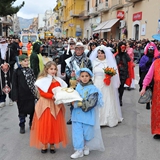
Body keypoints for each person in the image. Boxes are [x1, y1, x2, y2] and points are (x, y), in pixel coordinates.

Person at [30, 61, 68, 153]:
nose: (53, 71)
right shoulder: (41, 80)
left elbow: (62, 89)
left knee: (54, 124)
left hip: (56, 104)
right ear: (47, 69)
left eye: (55, 69)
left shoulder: (58, 80)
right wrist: (52, 96)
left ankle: (52, 144)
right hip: (45, 104)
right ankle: (44, 144)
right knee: (45, 124)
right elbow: (42, 93)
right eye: (51, 69)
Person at [70, 68, 105, 159]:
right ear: (79, 77)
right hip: (77, 115)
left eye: (86, 76)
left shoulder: (93, 89)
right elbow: (72, 97)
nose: (84, 78)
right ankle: (79, 150)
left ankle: (85, 145)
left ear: (90, 77)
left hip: (87, 115)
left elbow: (91, 103)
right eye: (82, 76)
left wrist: (77, 103)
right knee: (77, 132)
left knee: (87, 133)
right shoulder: (77, 86)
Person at [91, 45, 123, 127]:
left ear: (105, 54)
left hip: (106, 84)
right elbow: (91, 73)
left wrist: (109, 76)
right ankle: (97, 119)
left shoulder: (108, 62)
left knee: (106, 99)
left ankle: (107, 119)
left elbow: (114, 72)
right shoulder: (94, 62)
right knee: (97, 100)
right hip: (96, 83)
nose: (100, 55)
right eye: (98, 53)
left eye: (101, 53)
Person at [65, 42, 92, 125]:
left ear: (83, 50)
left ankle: (83, 116)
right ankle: (73, 117)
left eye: (80, 49)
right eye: (77, 49)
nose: (78, 50)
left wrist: (85, 78)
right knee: (73, 100)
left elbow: (91, 72)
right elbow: (67, 70)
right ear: (75, 49)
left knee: (83, 100)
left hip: (84, 83)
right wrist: (70, 74)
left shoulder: (87, 60)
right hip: (74, 83)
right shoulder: (70, 60)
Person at [11, 54, 37, 134]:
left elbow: (34, 81)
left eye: (27, 61)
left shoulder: (30, 70)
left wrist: (36, 92)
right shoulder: (17, 72)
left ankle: (31, 123)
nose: (27, 62)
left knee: (32, 110)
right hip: (21, 96)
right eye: (25, 61)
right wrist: (15, 96)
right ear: (20, 62)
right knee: (22, 112)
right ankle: (22, 125)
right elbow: (14, 84)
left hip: (30, 94)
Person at [140, 57, 160, 139]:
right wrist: (144, 87)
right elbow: (149, 76)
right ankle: (158, 131)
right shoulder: (156, 63)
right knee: (158, 112)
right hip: (158, 95)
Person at [139, 42, 159, 109]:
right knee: (146, 87)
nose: (151, 50)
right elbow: (141, 66)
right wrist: (146, 64)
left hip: (155, 75)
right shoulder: (144, 57)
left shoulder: (156, 58)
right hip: (146, 73)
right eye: (149, 49)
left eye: (152, 49)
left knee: (153, 89)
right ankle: (147, 101)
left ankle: (152, 101)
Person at [0, 37, 16, 108]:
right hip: (1, 71)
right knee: (1, 84)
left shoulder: (10, 50)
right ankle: (2, 100)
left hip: (9, 70)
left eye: (4, 43)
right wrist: (1, 65)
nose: (3, 44)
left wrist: (8, 64)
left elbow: (14, 60)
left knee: (10, 83)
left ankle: (10, 98)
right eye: (1, 43)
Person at [115, 42, 131, 106]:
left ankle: (120, 98)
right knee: (117, 86)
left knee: (122, 86)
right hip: (117, 72)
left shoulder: (125, 54)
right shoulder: (116, 55)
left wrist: (125, 52)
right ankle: (117, 97)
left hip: (124, 72)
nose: (123, 48)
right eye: (122, 47)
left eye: (124, 47)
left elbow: (129, 60)